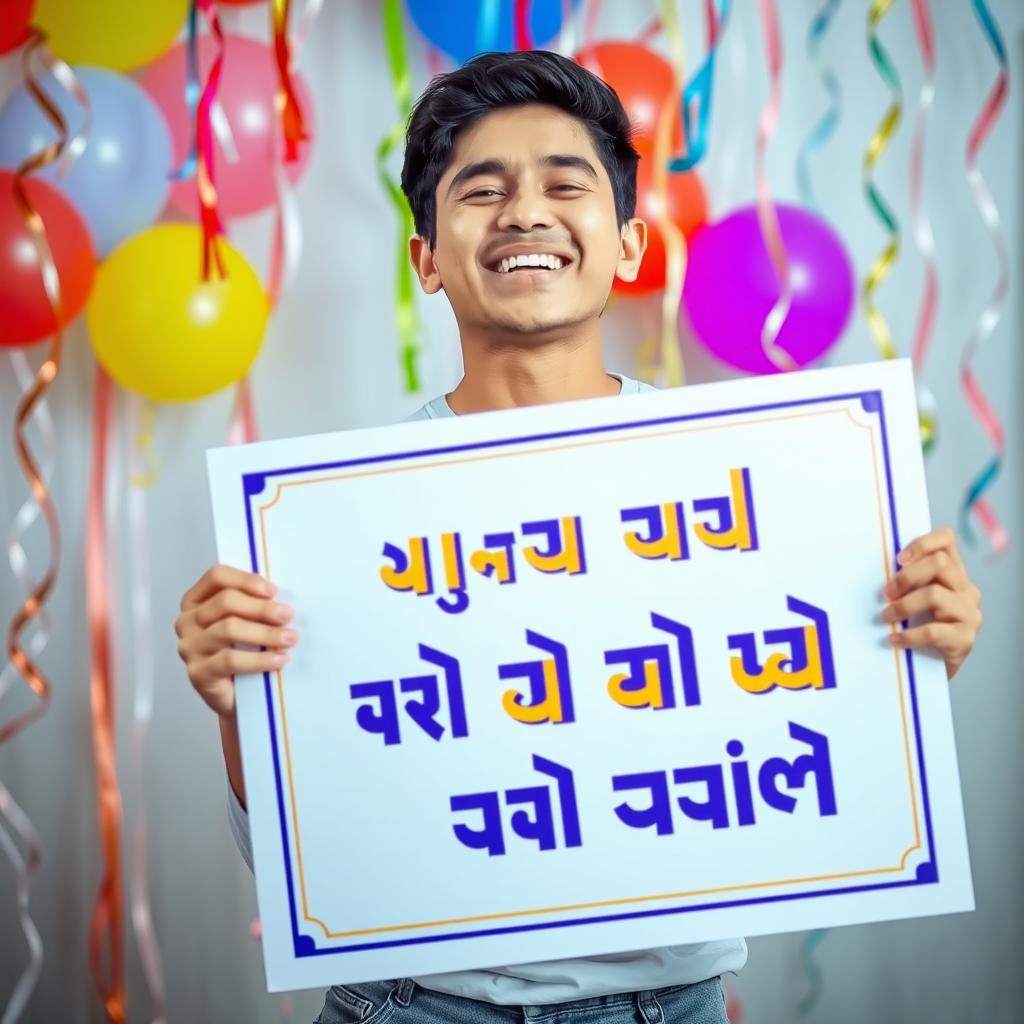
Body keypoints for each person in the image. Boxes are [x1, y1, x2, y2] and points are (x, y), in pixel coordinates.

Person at [174, 49, 984, 1024]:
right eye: (481, 190)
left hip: (668, 1005)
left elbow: (803, 744)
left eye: (565, 183)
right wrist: (237, 701)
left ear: (629, 245)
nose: (524, 213)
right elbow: (307, 853)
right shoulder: (326, 529)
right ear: (425, 259)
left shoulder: (759, 490)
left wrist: (912, 652)